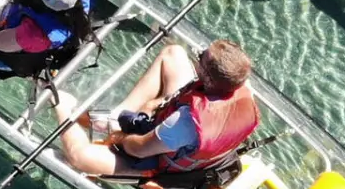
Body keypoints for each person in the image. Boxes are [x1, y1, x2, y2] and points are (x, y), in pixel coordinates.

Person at [60, 39, 259, 180]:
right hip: (179, 130)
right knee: (174, 54)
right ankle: (117, 114)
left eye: (200, 56)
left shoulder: (186, 123)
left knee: (80, 156)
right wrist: (155, 105)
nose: (196, 55)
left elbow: (137, 149)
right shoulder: (243, 89)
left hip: (157, 160)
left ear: (207, 78)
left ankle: (61, 102)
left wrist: (119, 136)